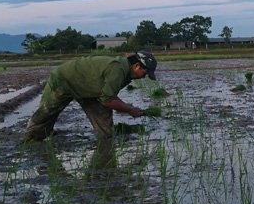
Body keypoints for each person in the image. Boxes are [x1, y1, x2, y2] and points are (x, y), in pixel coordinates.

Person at [24, 51, 158, 152]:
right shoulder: (118, 70)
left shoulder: (125, 72)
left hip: (90, 91)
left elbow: (107, 96)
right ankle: (30, 143)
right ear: (136, 66)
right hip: (64, 80)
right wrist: (129, 110)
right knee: (46, 114)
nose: (145, 77)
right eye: (145, 73)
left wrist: (128, 108)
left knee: (105, 129)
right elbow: (107, 99)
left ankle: (105, 155)